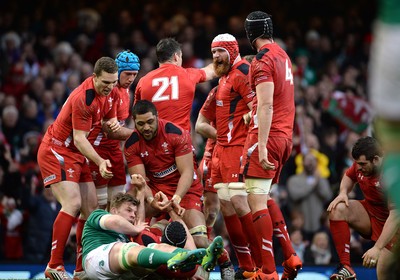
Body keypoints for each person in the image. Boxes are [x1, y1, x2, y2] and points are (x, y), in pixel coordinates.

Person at [37, 57, 122, 280]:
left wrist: (112, 124)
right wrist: (100, 161)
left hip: (75, 153)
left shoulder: (111, 92)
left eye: (113, 82)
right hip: (57, 150)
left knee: (90, 208)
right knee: (73, 203)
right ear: (94, 77)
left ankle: (80, 270)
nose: (110, 87)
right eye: (105, 82)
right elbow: (81, 139)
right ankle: (53, 266)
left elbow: (108, 120)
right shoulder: (83, 99)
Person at [239, 11, 301, 279]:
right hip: (285, 136)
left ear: (249, 35)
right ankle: (289, 255)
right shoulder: (283, 55)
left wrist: (261, 146)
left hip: (268, 137)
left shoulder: (262, 61)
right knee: (262, 197)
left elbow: (266, 104)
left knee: (255, 203)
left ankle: (267, 271)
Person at [196, 33, 260, 279]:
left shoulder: (244, 72)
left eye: (220, 51)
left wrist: (246, 136)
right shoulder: (221, 83)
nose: (215, 57)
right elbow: (200, 124)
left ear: (233, 51)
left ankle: (260, 263)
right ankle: (243, 265)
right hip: (220, 150)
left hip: (239, 150)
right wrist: (220, 135)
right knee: (222, 205)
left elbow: (258, 106)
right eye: (213, 53)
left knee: (240, 202)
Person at [82, 174, 224, 280]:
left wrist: (143, 192)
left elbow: (139, 222)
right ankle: (181, 260)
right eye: (128, 211)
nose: (133, 215)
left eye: (134, 212)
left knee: (155, 247)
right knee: (130, 247)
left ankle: (192, 261)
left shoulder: (129, 234)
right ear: (114, 210)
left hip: (121, 272)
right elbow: (116, 222)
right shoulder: (99, 215)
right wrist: (135, 229)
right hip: (95, 260)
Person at [327, 136, 399, 280]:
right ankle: (346, 267)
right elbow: (349, 176)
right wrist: (343, 192)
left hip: (394, 227)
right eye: (357, 163)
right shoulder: (361, 165)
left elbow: (395, 216)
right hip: (372, 215)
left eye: (362, 164)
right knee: (338, 208)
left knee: (384, 273)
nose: (358, 167)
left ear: (377, 159)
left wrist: (377, 248)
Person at [88, 50, 140, 210]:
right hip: (98, 148)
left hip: (114, 149)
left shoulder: (127, 92)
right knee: (99, 204)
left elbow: (121, 125)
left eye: (134, 74)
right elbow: (109, 129)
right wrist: (140, 135)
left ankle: (112, 234)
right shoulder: (109, 91)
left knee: (118, 200)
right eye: (127, 74)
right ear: (118, 72)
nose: (131, 78)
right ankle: (92, 235)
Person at [134, 37, 216, 132]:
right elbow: (212, 71)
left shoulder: (143, 81)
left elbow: (136, 114)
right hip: (180, 140)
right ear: (176, 56)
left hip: (154, 140)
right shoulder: (188, 75)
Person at [287, 151, 332, 241]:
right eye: (308, 160)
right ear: (302, 162)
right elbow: (295, 195)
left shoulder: (322, 180)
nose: (310, 162)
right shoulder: (294, 180)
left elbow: (328, 196)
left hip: (319, 225)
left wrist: (318, 181)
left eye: (313, 160)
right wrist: (312, 185)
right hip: (301, 227)